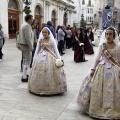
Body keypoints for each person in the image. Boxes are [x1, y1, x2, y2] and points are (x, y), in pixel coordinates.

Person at [77, 27, 120, 119]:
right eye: (107, 34)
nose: (108, 36)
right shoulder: (102, 46)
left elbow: (118, 60)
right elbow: (97, 58)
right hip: (102, 69)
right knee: (97, 88)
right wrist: (93, 69)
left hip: (114, 70)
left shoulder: (117, 46)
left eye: (110, 34)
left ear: (114, 36)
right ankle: (97, 108)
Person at [28, 27, 67, 95]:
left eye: (45, 32)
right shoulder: (40, 40)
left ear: (48, 33)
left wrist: (59, 59)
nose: (44, 33)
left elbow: (56, 50)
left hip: (50, 57)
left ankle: (52, 88)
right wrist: (34, 59)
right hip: (40, 57)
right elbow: (37, 50)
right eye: (43, 32)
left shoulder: (52, 40)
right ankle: (38, 87)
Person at [18, 14, 34, 82]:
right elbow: (28, 37)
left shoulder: (23, 24)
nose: (33, 20)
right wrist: (31, 47)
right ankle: (24, 77)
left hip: (23, 44)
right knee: (27, 61)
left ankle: (24, 74)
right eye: (32, 19)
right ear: (29, 19)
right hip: (26, 45)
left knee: (25, 60)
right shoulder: (27, 26)